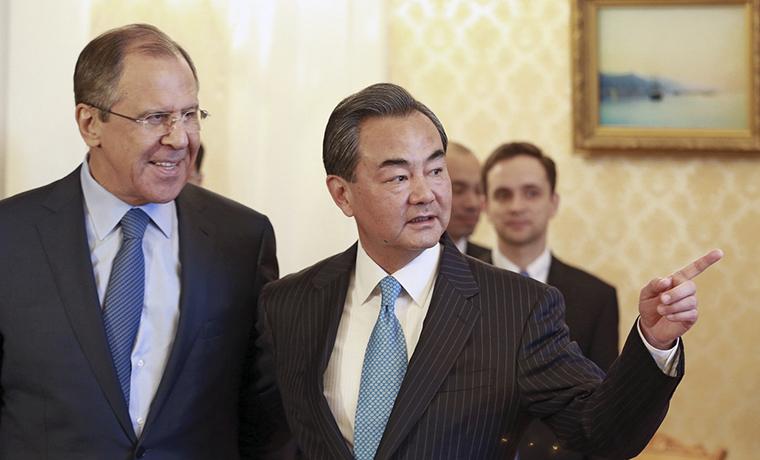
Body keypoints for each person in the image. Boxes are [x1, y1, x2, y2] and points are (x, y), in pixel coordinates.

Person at [254, 82, 722, 460]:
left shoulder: (518, 307)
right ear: (343, 194)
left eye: (435, 171)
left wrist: (654, 342)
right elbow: (262, 436)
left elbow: (600, 432)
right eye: (398, 177)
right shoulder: (289, 304)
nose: (426, 193)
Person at [0, 24, 279, 459]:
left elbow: (262, 414)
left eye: (190, 115)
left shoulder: (242, 238)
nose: (179, 138)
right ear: (90, 124)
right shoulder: (10, 236)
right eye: (155, 118)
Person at [481, 142, 619, 460]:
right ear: (485, 206)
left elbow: (603, 407)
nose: (517, 206)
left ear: (553, 203)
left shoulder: (596, 297)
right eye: (503, 195)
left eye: (531, 193)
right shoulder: (455, 284)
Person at [445, 141, 490, 260]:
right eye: (458, 190)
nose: (473, 204)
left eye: (479, 191)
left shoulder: (491, 264)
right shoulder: (403, 263)